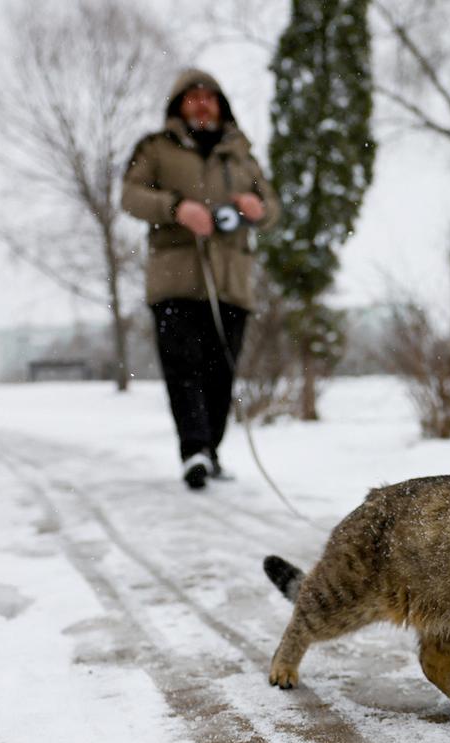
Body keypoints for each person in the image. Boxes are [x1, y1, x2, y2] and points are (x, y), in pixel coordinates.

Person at [122, 69, 280, 489]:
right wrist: (175, 208)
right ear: (178, 106)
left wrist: (257, 207)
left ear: (221, 105)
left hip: (232, 281)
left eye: (209, 97)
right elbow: (130, 195)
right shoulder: (156, 148)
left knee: (220, 372)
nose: (201, 104)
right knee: (184, 367)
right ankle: (193, 450)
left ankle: (211, 448)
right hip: (175, 278)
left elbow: (272, 207)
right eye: (192, 97)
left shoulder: (241, 155)